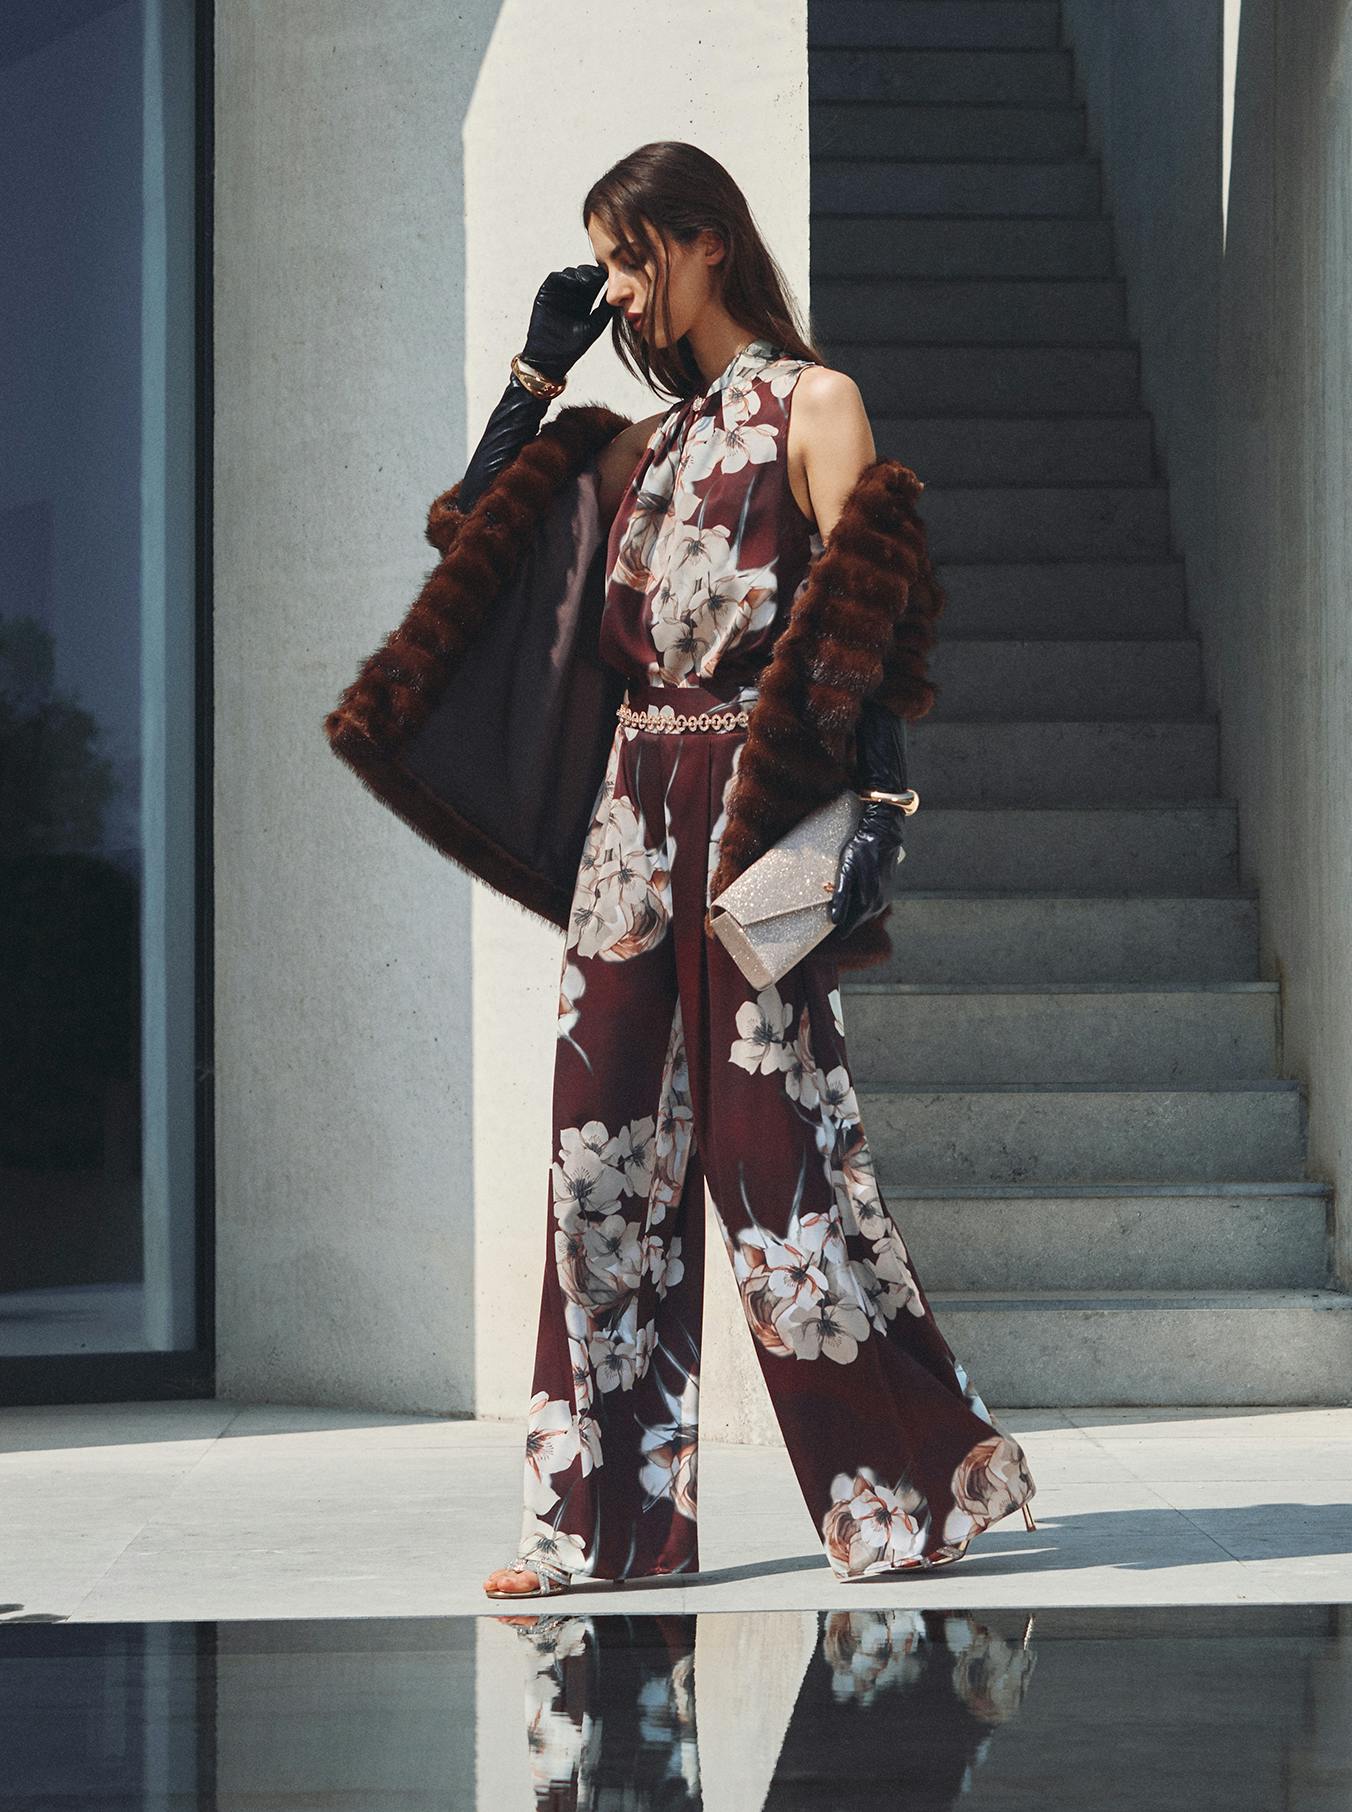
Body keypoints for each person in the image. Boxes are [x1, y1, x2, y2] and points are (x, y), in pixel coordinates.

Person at [323, 141, 1037, 1599]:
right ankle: (601, 1525)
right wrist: (535, 378)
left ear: (709, 245)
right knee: (599, 1164)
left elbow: (874, 610)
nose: (622, 291)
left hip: (754, 820)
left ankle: (914, 1488)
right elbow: (476, 553)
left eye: (634, 257)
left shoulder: (811, 403)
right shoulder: (632, 448)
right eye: (606, 264)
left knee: (780, 1164)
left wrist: (879, 804)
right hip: (629, 835)